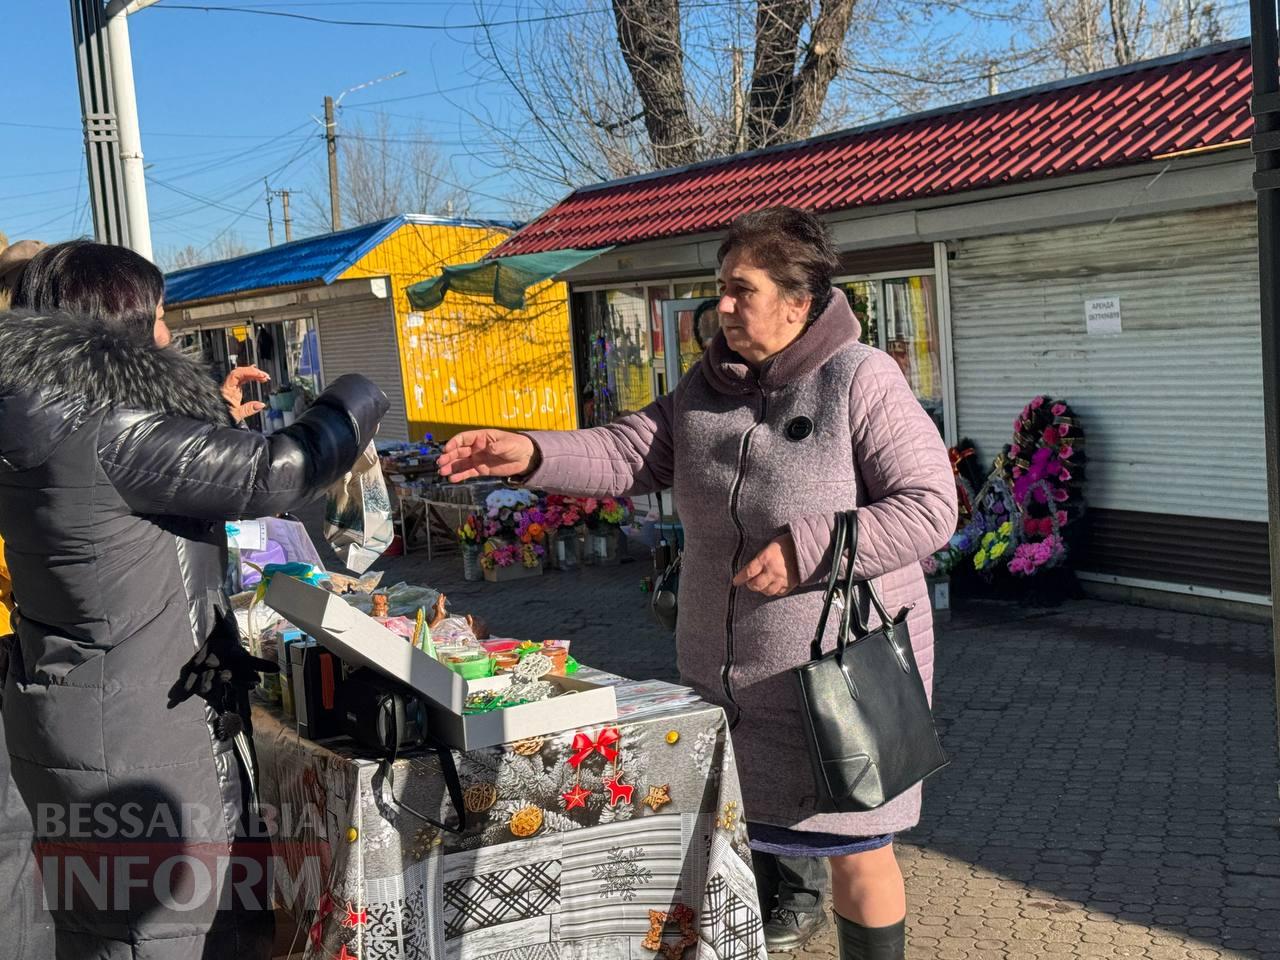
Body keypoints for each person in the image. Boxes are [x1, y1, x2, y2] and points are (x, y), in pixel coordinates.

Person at [437, 207, 957, 960]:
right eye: (720, 288)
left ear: (796, 301)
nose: (721, 307)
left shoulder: (860, 378)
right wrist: (527, 451)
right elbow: (626, 452)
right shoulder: (704, 388)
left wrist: (808, 547)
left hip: (838, 683)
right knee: (734, 843)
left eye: (740, 290)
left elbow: (931, 508)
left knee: (857, 849)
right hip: (725, 678)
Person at [0, 240, 389, 958]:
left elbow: (146, 496)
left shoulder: (44, 420)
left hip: (88, 714)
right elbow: (284, 469)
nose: (168, 335)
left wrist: (213, 419)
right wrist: (359, 392)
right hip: (136, 738)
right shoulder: (105, 431)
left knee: (120, 929)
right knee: (161, 935)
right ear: (113, 323)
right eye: (157, 316)